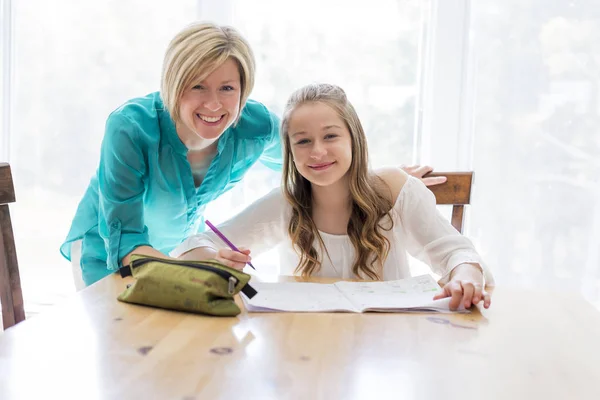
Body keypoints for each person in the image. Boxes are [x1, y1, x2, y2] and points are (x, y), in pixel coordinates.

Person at [60, 22, 444, 288]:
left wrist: (378, 179)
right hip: (112, 256)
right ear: (173, 84)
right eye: (197, 85)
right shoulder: (130, 129)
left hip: (183, 256)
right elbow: (125, 242)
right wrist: (187, 264)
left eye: (227, 87)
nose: (214, 104)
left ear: (244, 89)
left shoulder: (255, 125)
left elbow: (312, 156)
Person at [173, 83, 493, 310]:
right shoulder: (285, 202)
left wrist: (464, 274)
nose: (318, 152)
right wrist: (212, 258)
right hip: (309, 347)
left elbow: (457, 253)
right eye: (303, 141)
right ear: (290, 153)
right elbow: (192, 246)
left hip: (388, 346)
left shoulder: (395, 189)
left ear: (354, 138)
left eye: (330, 136)